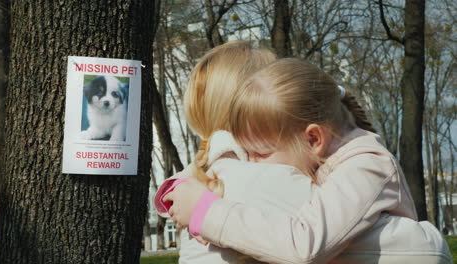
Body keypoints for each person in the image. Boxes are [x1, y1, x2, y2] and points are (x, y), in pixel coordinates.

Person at [162, 58, 452, 263]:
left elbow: (306, 245)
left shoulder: (366, 168)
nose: (249, 162)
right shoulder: (325, 155)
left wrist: (206, 212)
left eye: (260, 154)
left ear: (313, 139)